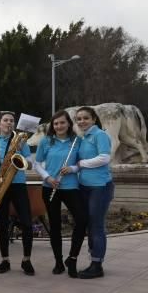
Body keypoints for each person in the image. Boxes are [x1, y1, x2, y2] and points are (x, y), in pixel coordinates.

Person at [0, 111, 35, 275]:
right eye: (5, 120)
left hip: (18, 185)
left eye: (11, 120)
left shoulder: (21, 142)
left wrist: (17, 154)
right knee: (2, 224)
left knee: (26, 223)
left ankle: (26, 260)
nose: (9, 123)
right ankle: (5, 260)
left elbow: (30, 165)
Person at [34, 110, 88, 277]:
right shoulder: (46, 141)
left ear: (69, 124)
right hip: (50, 187)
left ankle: (72, 258)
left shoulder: (77, 141)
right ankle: (58, 262)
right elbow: (36, 164)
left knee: (82, 220)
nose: (59, 126)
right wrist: (47, 177)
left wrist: (72, 168)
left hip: (70, 186)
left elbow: (81, 163)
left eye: (62, 122)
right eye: (56, 123)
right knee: (55, 226)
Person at [74, 106, 114, 279]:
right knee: (89, 224)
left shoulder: (100, 135)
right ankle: (93, 259)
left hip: (100, 186)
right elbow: (79, 162)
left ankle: (97, 265)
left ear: (94, 119)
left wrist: (81, 164)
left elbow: (104, 158)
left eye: (86, 118)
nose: (82, 121)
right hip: (84, 186)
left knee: (96, 225)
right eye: (79, 119)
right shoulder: (82, 138)